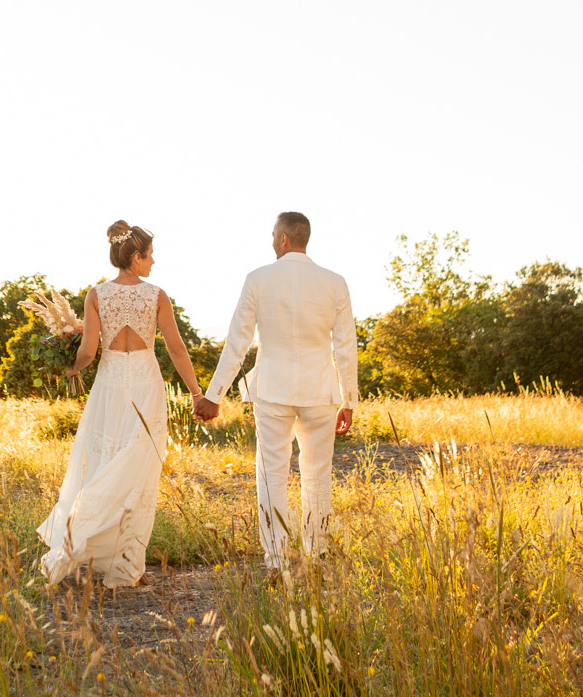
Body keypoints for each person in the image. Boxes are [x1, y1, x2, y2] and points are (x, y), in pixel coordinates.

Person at [36, 220, 211, 588]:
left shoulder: (96, 295)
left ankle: (92, 549)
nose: (153, 262)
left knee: (103, 465)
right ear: (135, 256)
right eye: (149, 255)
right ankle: (124, 567)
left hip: (110, 385)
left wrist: (68, 369)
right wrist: (196, 393)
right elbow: (176, 349)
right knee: (138, 475)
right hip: (146, 385)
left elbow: (87, 352)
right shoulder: (157, 295)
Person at [197, 211, 357, 573]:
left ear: (284, 239)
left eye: (273, 235)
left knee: (271, 473)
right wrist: (349, 402)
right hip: (320, 392)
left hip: (272, 390)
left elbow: (237, 341)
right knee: (318, 474)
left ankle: (276, 559)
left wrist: (214, 394)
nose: (271, 241)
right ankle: (315, 555)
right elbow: (347, 346)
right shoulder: (335, 282)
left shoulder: (258, 279)